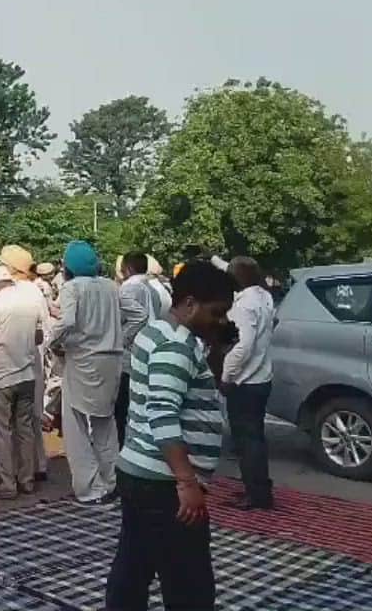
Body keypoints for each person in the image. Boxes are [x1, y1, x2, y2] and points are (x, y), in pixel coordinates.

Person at [105, 261, 234, 611]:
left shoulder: (157, 333)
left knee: (135, 566)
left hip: (141, 472)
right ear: (189, 304)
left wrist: (218, 350)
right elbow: (162, 413)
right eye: (217, 313)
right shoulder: (176, 346)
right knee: (189, 584)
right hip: (163, 482)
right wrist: (186, 482)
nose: (221, 321)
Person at [50, 241, 123, 504]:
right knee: (105, 425)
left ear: (68, 267)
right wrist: (119, 338)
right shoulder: (111, 287)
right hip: (112, 360)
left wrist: (52, 341)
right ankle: (114, 482)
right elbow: (136, 315)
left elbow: (67, 321)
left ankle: (90, 489)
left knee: (76, 427)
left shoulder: (71, 288)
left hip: (83, 361)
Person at [0, 265, 46, 500]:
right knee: (24, 429)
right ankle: (27, 480)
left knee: (1, 431)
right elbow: (39, 336)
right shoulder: (30, 302)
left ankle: (7, 484)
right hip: (27, 375)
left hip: (1, 376)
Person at [221, 256, 276, 511]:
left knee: (246, 442)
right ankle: (259, 489)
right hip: (261, 376)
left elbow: (242, 346)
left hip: (245, 381)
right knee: (255, 438)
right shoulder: (264, 297)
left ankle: (256, 494)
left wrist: (226, 376)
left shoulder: (243, 306)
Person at [0, 244, 50, 481]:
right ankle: (35, 466)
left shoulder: (18, 291)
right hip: (33, 358)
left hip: (17, 359)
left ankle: (20, 469)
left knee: (14, 421)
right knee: (30, 418)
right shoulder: (35, 291)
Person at [117, 252, 162, 445]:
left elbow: (126, 318)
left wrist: (121, 339)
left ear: (128, 269)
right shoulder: (154, 289)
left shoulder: (128, 288)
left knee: (123, 409)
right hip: (150, 351)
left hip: (130, 355)